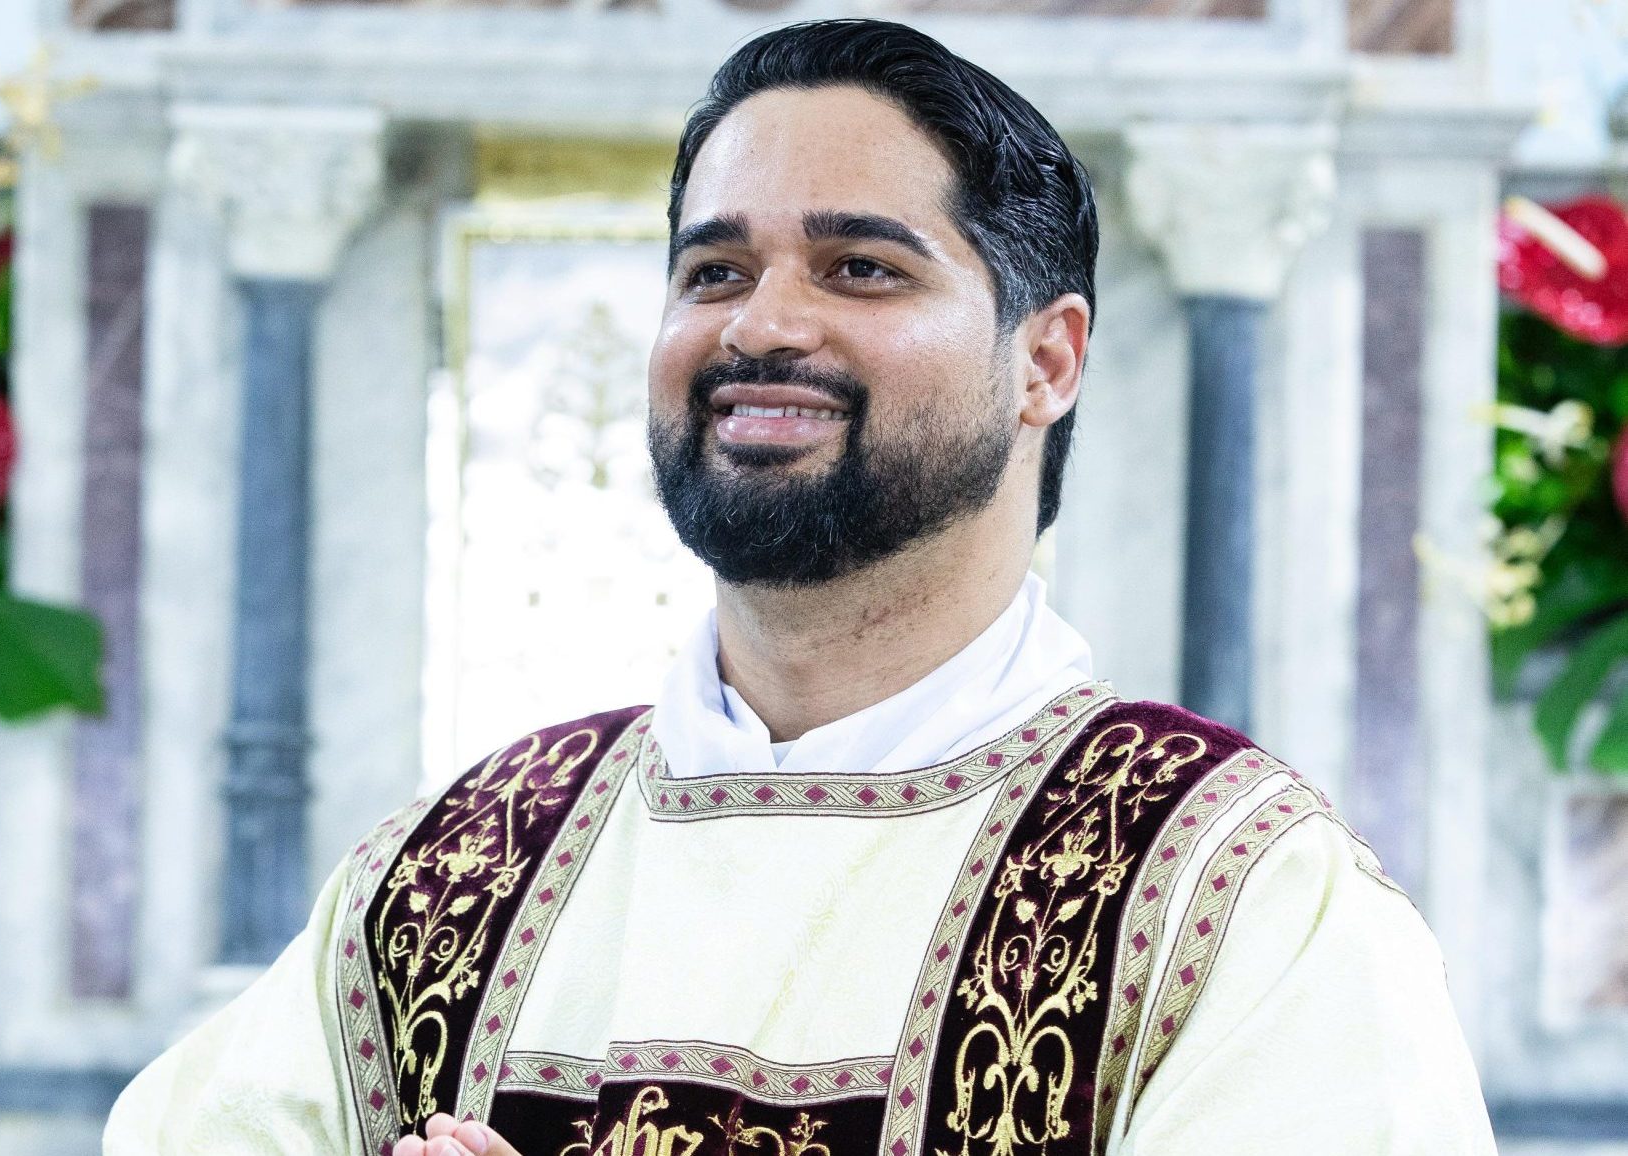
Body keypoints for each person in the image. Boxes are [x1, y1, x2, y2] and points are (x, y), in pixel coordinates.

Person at [105, 19, 1497, 1156]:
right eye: (714, 270)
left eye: (861, 268)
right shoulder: (455, 872)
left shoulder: (1228, 896)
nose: (763, 323)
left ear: (1047, 361)